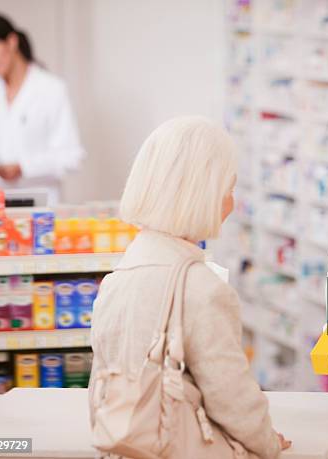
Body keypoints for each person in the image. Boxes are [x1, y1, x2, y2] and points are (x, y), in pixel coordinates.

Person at [88, 117, 291, 458]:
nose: (232, 202)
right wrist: (267, 442)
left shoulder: (119, 275)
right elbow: (231, 396)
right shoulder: (200, 287)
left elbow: (101, 384)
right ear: (205, 194)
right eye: (229, 189)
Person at [0, 13, 84, 204]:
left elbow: (71, 156)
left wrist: (23, 167)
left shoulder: (51, 88)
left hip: (38, 202)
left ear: (11, 42)